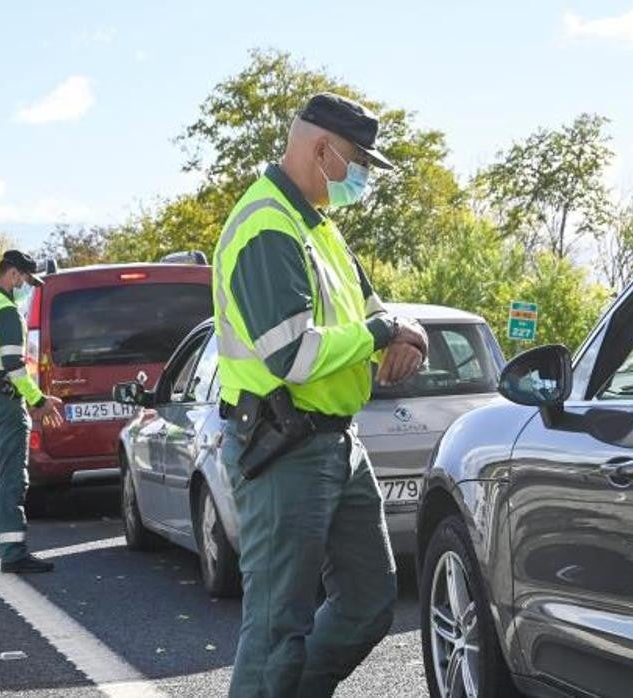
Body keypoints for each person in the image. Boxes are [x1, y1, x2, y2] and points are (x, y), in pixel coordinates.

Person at [213, 93, 428, 697]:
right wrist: (380, 334)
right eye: (358, 160)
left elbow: (374, 308)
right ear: (321, 149)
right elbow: (293, 355)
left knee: (368, 600)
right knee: (277, 627)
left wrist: (404, 331)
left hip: (337, 441)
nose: (361, 175)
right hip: (283, 446)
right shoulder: (267, 227)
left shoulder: (319, 228)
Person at [0, 250, 65, 574]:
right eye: (27, 281)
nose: (28, 288)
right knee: (11, 477)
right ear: (15, 274)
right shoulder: (5, 310)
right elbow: (14, 365)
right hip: (4, 402)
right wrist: (37, 400)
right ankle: (14, 551)